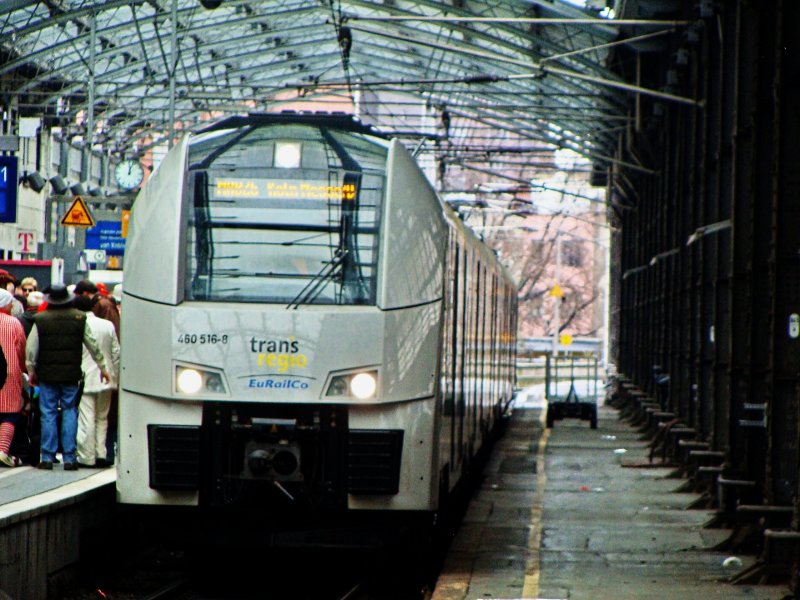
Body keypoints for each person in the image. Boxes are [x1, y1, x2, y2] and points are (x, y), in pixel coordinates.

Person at [25, 284, 110, 471]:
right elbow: (92, 345)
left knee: (48, 413)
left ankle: (47, 456)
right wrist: (103, 367)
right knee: (70, 411)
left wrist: (31, 371)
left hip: (47, 374)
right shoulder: (78, 318)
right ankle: (70, 458)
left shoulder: (40, 319)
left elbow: (32, 349)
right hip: (71, 374)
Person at [74, 295, 120, 467]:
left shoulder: (78, 324)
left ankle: (87, 456)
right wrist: (114, 375)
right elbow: (116, 352)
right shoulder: (107, 325)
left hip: (85, 377)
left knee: (87, 418)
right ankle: (101, 453)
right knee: (102, 418)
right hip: (106, 377)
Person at [0, 290, 25, 467]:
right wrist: (22, 367)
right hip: (9, 371)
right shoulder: (13, 323)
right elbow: (21, 347)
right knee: (9, 412)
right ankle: (2, 450)